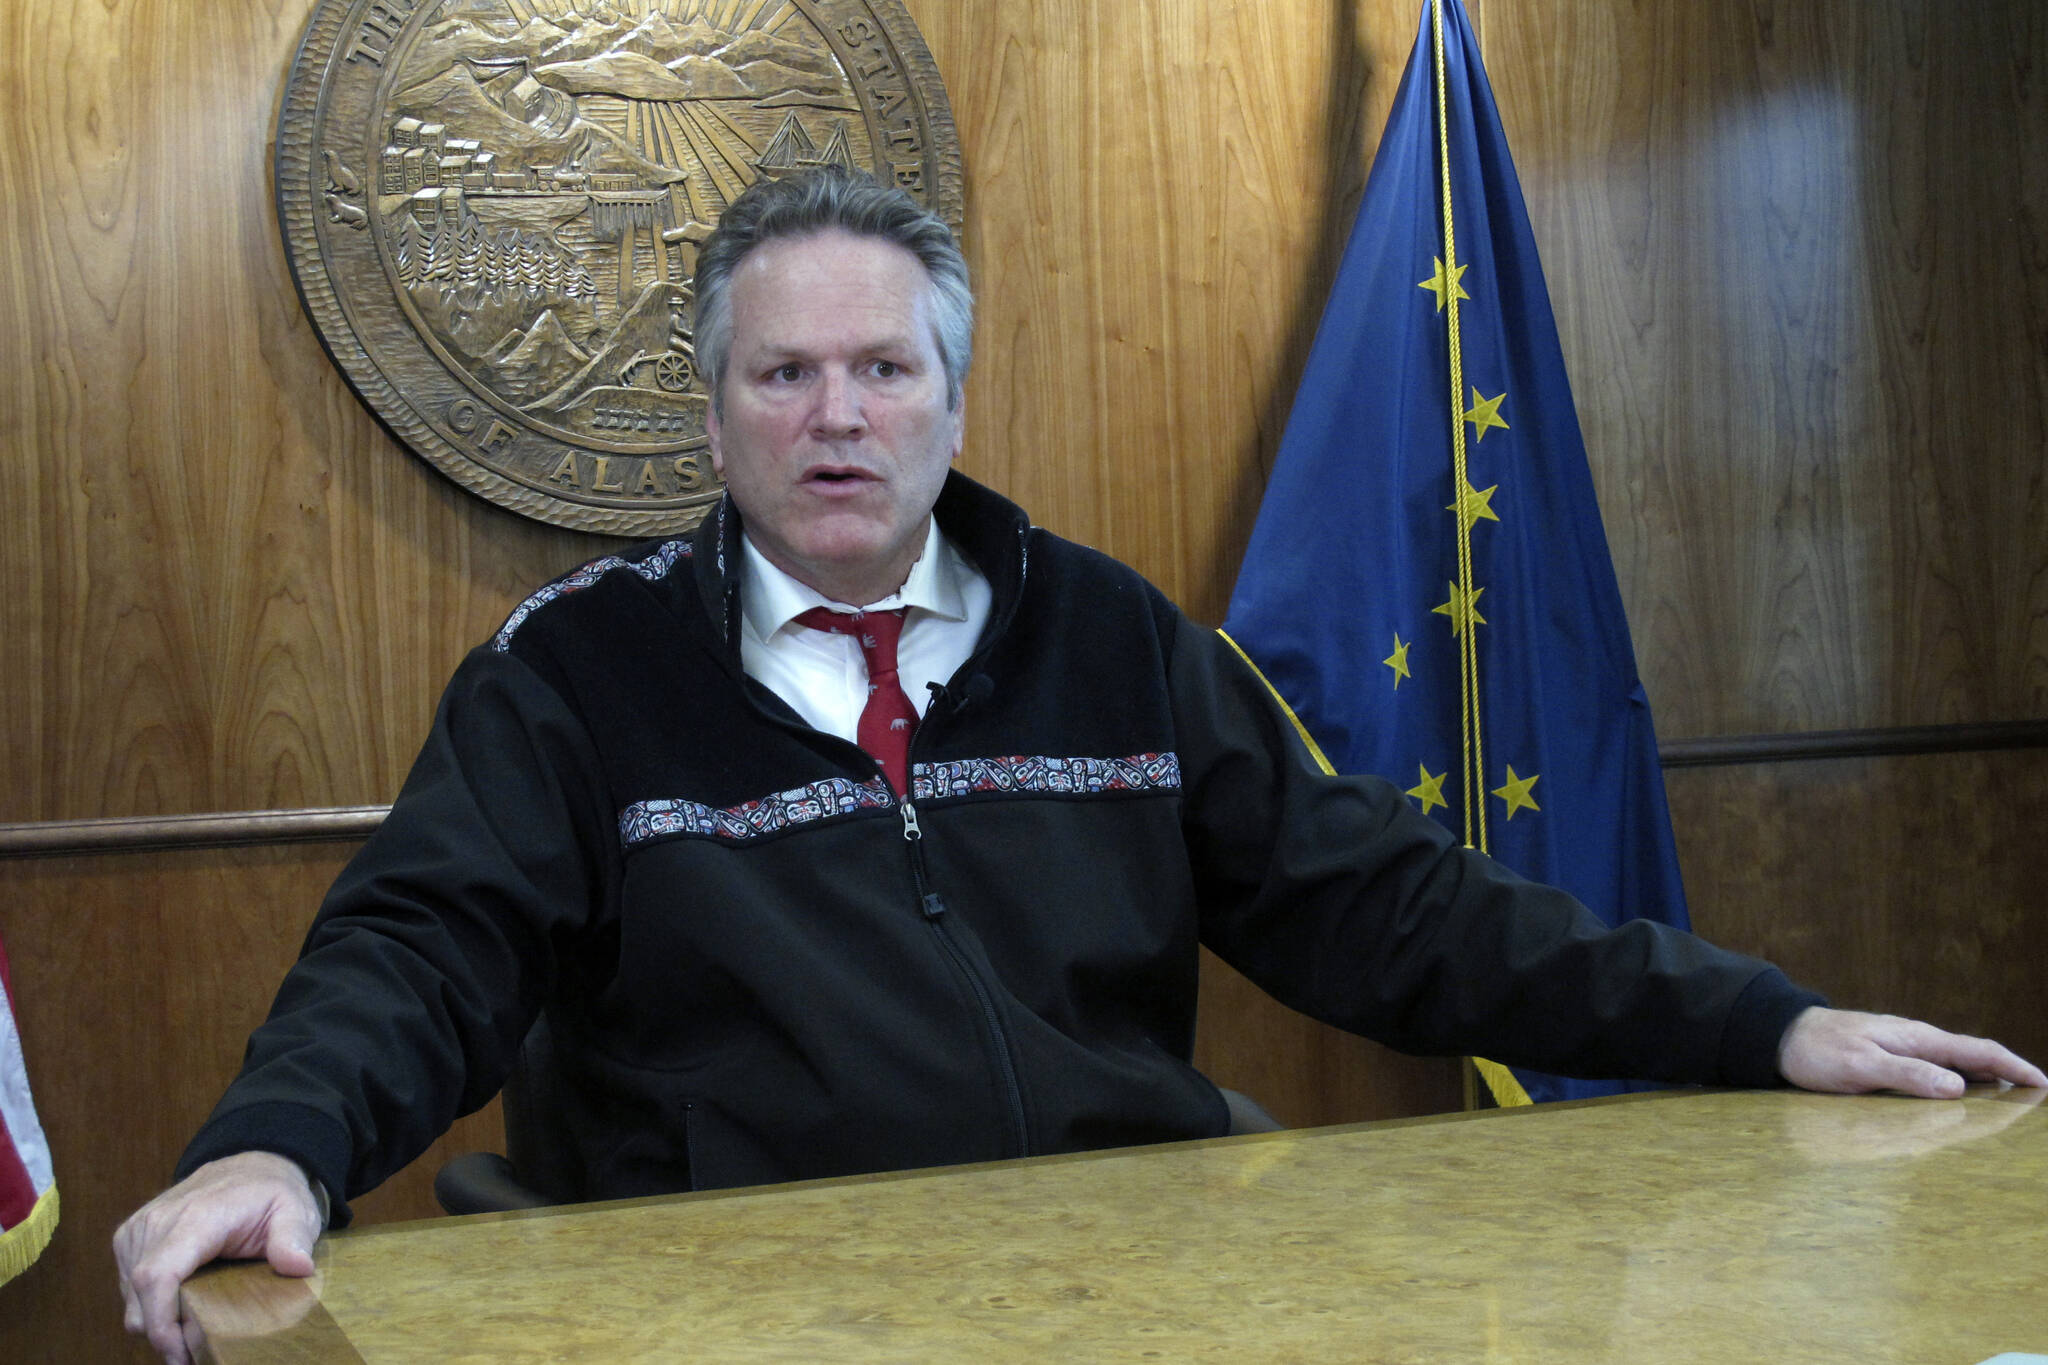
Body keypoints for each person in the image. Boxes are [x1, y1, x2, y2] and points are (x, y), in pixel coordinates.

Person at [116, 168, 2045, 1362]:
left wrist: (1762, 1022)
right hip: (734, 1313)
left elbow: (1393, 906)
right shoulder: (577, 676)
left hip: (1147, 1289)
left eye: (883, 370)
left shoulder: (1113, 636)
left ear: (956, 400)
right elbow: (419, 946)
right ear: (713, 419)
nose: (837, 415)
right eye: (782, 376)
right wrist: (277, 1140)